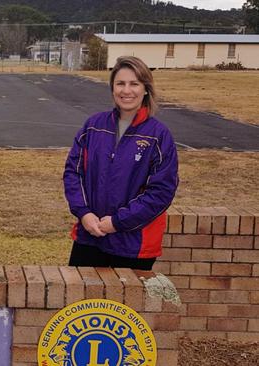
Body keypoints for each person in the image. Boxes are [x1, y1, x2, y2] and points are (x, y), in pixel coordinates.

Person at [63, 56, 178, 270]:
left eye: (134, 84)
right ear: (112, 88)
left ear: (146, 89)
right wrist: (84, 213)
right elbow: (73, 173)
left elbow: (161, 192)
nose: (127, 91)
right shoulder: (93, 125)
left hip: (134, 244)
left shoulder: (158, 135)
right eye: (120, 83)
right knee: (84, 302)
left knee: (123, 304)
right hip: (90, 236)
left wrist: (117, 222)